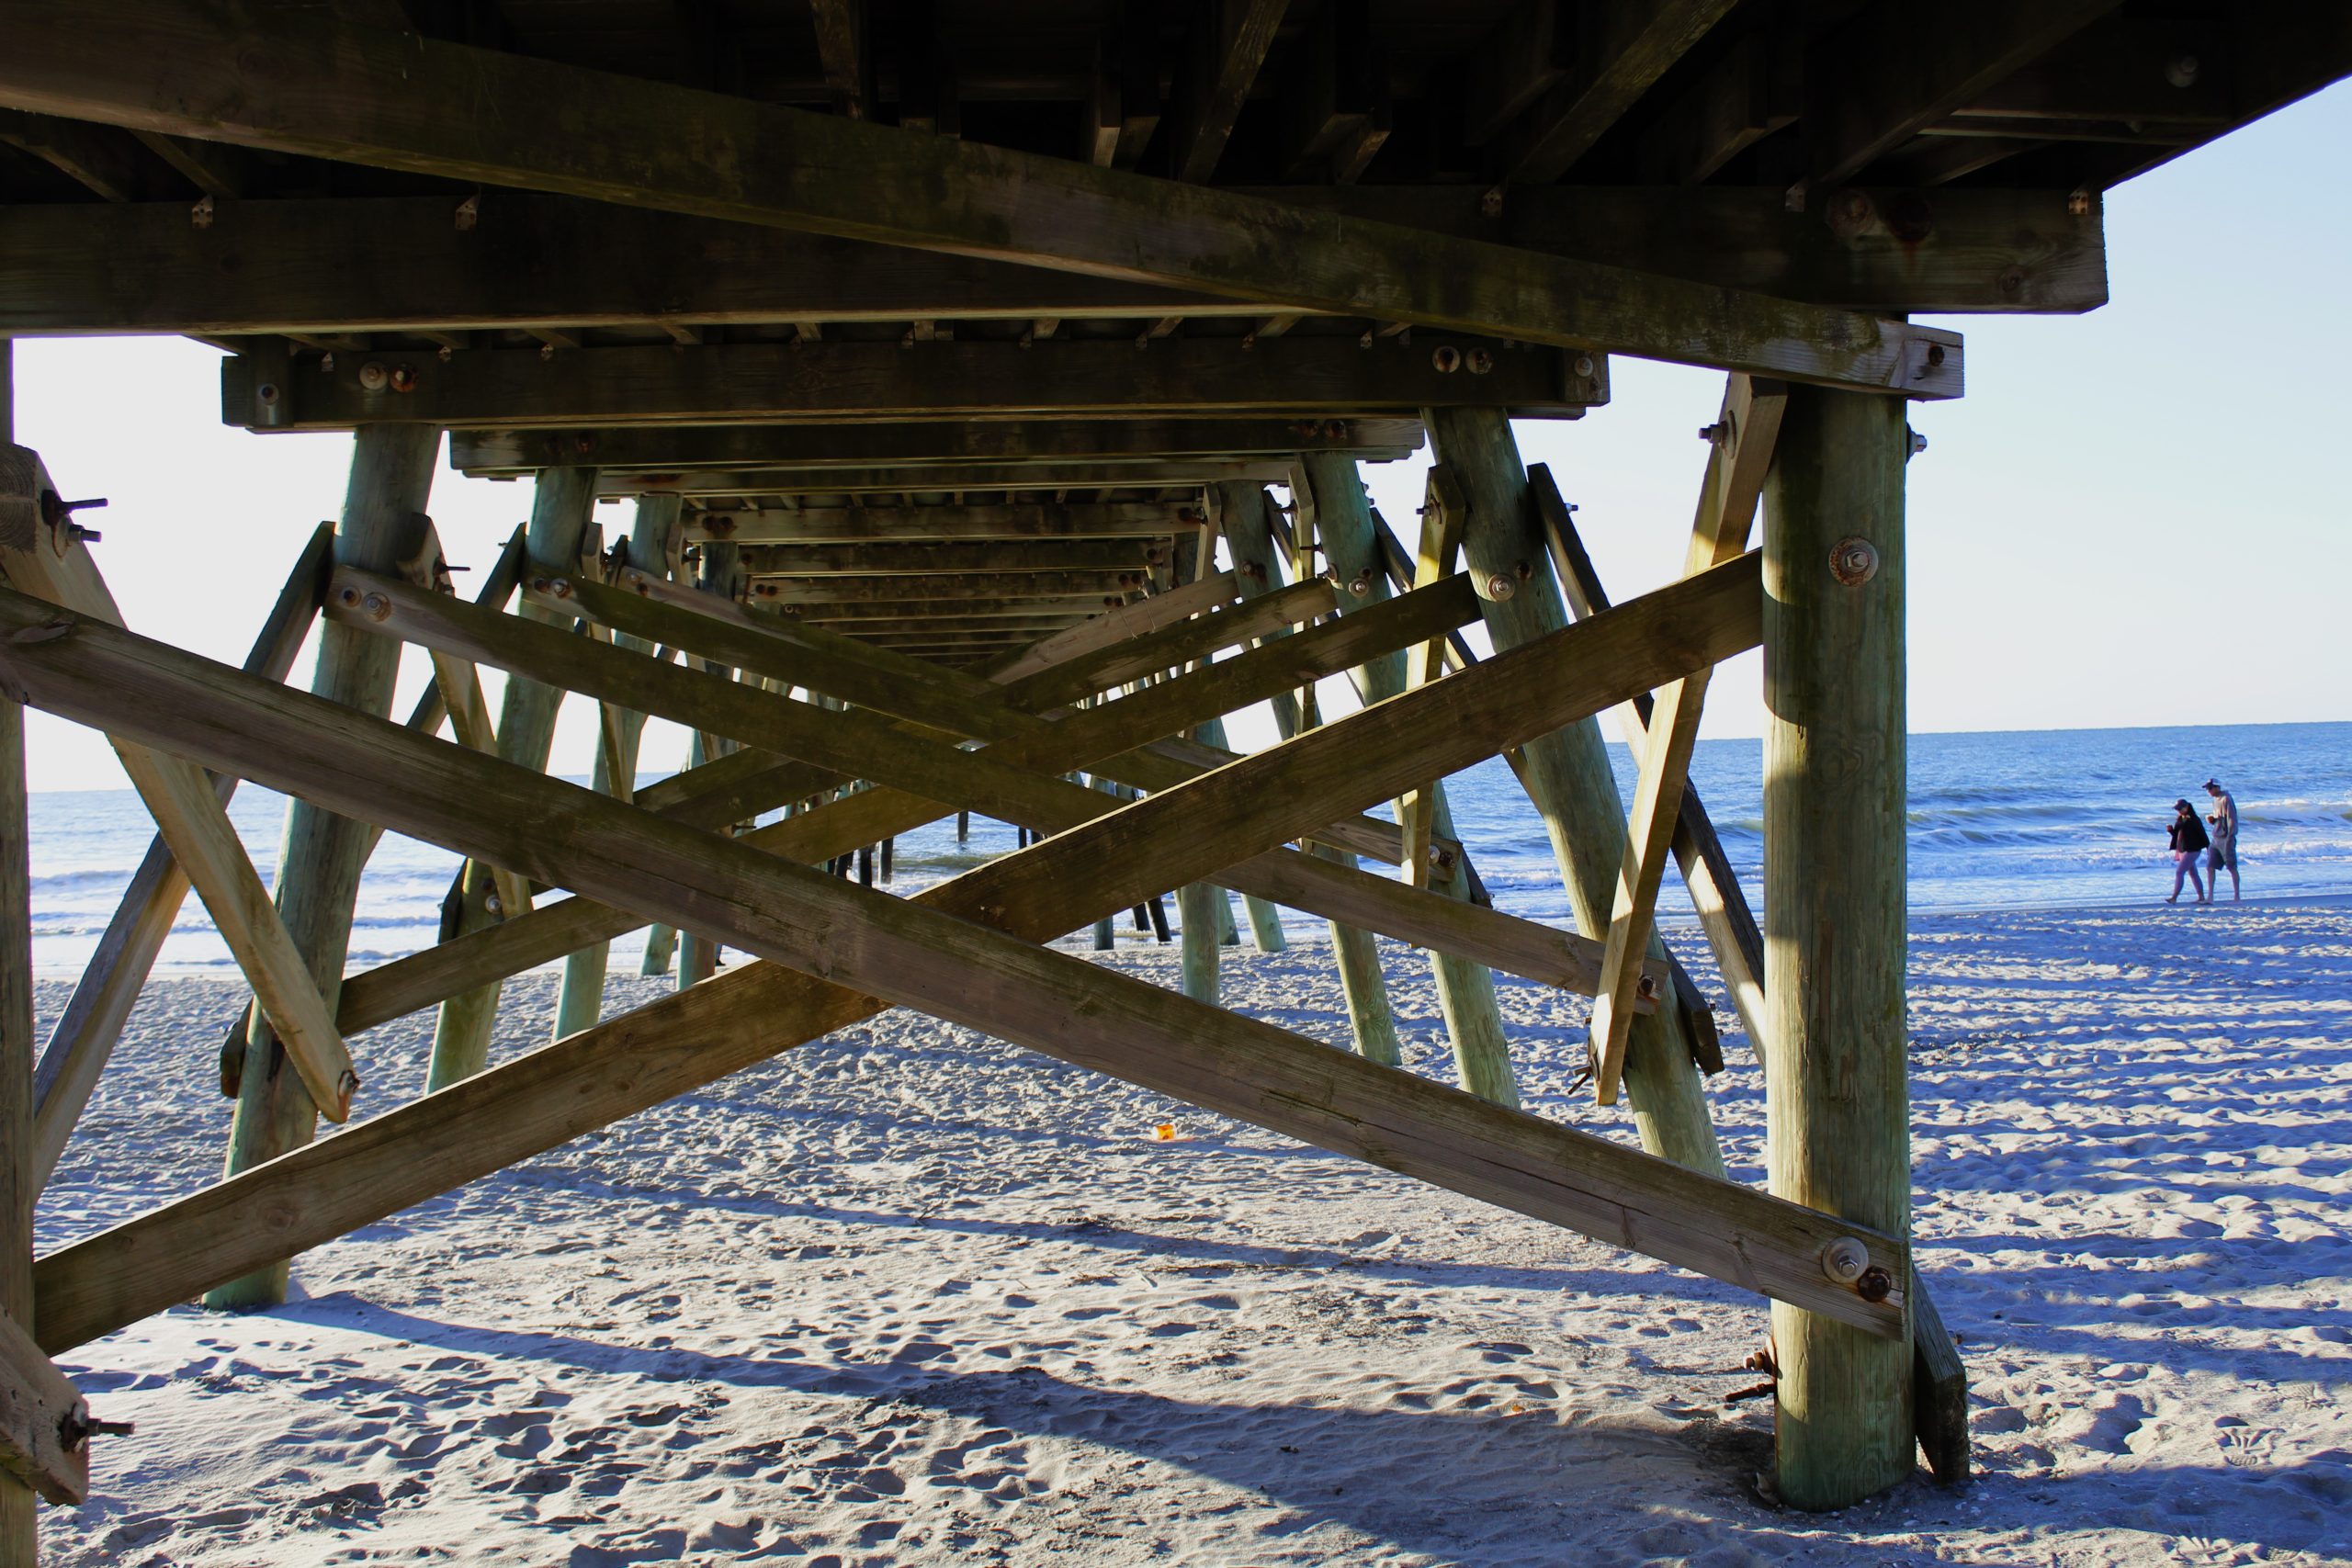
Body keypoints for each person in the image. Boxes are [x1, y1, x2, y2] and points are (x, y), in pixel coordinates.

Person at [2166, 798, 2211, 904]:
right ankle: (2201, 897)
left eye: (2180, 809)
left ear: (2186, 807)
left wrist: (2208, 847)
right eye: (2177, 809)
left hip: (2193, 849)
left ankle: (2174, 897)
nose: (2179, 811)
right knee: (2193, 873)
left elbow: (2202, 834)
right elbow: (2177, 834)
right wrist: (2171, 831)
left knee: (2179, 872)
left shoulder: (2194, 819)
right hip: (2182, 848)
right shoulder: (2180, 818)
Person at [2204, 778, 2241, 901]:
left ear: (2217, 787)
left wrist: (2230, 836)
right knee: (2210, 866)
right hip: (2216, 837)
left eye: (2210, 788)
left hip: (2226, 837)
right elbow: (2219, 818)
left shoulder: (2226, 799)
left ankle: (2237, 896)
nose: (2209, 791)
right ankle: (2210, 896)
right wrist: (2213, 820)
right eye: (2208, 789)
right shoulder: (2215, 800)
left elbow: (2232, 819)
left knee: (2231, 866)